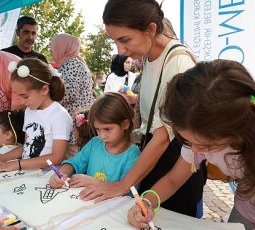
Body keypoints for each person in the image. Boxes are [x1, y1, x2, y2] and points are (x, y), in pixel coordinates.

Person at [80, 0, 206, 218]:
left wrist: (121, 186)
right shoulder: (149, 56)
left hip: (175, 163)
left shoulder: (178, 62)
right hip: (153, 160)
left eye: (125, 39)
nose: (120, 50)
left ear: (151, 29)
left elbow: (162, 137)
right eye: (115, 41)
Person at [128, 59, 255, 230]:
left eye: (207, 147)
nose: (195, 151)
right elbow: (173, 180)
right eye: (189, 142)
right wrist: (145, 203)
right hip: (245, 214)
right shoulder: (200, 133)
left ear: (239, 128)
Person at [0, 58, 72, 171]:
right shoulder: (29, 110)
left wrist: (17, 164)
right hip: (27, 171)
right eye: (18, 95)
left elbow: (57, 157)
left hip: (47, 176)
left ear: (44, 89)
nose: (21, 101)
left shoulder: (59, 115)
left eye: (25, 96)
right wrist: (2, 157)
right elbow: (26, 147)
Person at [50, 93, 140, 189]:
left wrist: (93, 182)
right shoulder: (95, 143)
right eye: (98, 129)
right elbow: (74, 163)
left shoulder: (133, 155)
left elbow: (128, 191)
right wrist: (60, 174)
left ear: (125, 124)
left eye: (107, 129)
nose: (102, 135)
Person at [50, 33, 95, 156]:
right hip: (78, 122)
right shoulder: (74, 63)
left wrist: (49, 95)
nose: (52, 52)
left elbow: (69, 92)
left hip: (75, 124)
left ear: (62, 48)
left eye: (53, 49)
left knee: (74, 159)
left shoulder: (72, 64)